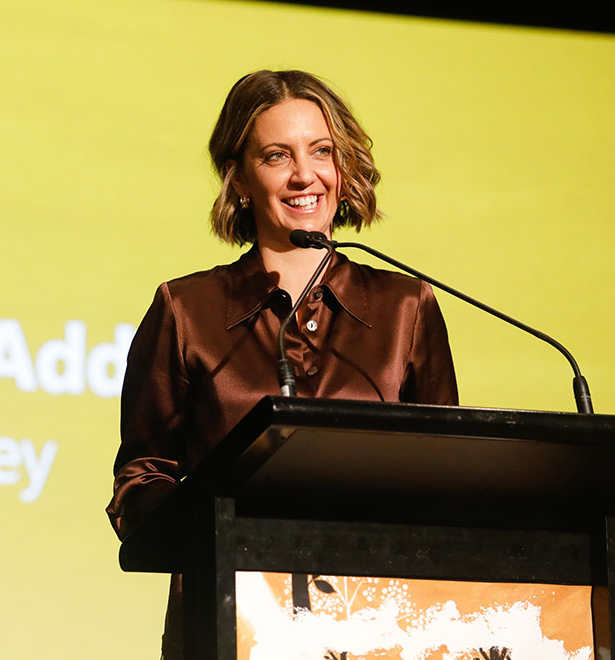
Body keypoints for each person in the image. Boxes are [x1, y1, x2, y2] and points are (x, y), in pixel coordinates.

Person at [106, 70, 459, 657]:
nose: (304, 174)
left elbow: (446, 477)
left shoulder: (407, 309)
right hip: (233, 625)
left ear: (343, 169)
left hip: (381, 628)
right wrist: (214, 527)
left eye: (322, 151)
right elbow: (142, 479)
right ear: (239, 179)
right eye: (277, 155)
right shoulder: (187, 309)